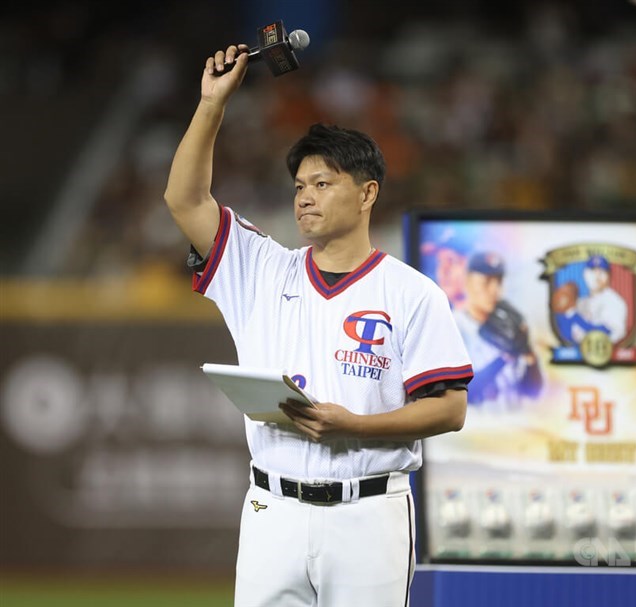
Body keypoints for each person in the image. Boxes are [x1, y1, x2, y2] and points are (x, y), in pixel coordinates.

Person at [164, 45, 474, 607]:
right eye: (300, 186)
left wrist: (353, 425)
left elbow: (450, 409)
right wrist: (212, 104)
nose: (305, 197)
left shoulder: (411, 292)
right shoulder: (260, 268)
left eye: (323, 184)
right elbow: (184, 199)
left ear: (367, 193)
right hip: (270, 508)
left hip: (369, 511)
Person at [453, 252, 542, 410]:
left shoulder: (507, 327)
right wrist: (505, 357)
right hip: (472, 431)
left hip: (512, 428)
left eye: (499, 282)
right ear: (467, 282)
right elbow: (463, 395)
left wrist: (530, 358)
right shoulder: (453, 326)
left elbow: (532, 392)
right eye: (486, 282)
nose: (495, 290)